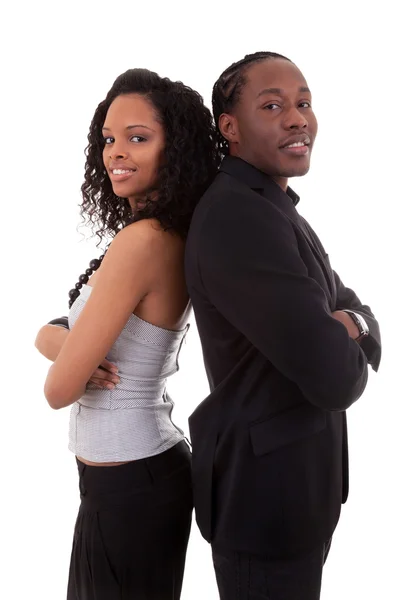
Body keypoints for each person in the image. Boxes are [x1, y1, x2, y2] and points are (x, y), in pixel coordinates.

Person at [184, 51, 381, 600]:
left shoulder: (272, 205)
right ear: (231, 127)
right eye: (272, 105)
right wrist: (348, 328)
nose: (298, 118)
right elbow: (333, 376)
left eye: (303, 102)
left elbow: (348, 302)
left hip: (293, 492)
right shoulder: (238, 216)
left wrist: (350, 322)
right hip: (266, 503)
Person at [34, 67, 219, 600]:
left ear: (176, 149)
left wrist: (60, 350)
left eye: (138, 138)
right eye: (109, 139)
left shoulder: (143, 242)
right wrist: (53, 342)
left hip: (132, 483)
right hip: (128, 479)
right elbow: (57, 335)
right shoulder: (157, 234)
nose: (116, 151)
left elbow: (58, 390)